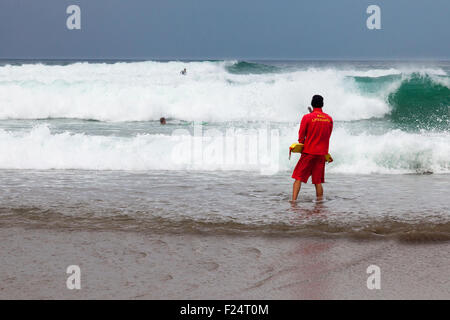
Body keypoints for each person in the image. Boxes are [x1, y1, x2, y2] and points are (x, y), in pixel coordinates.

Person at [292, 95, 333, 201]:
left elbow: (301, 136)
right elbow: (327, 135)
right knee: (317, 181)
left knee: (298, 178)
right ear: (322, 104)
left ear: (312, 103)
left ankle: (293, 201)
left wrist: (302, 144)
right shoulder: (329, 119)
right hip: (321, 154)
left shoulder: (307, 117)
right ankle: (319, 203)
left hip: (309, 152)